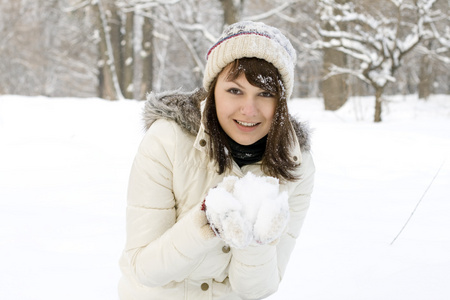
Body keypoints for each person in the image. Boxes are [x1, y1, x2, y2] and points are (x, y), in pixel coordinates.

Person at [118, 20, 315, 299]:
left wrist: (258, 240)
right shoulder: (167, 140)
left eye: (265, 94)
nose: (249, 110)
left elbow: (259, 288)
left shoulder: (297, 164)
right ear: (213, 90)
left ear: (281, 101)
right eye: (235, 90)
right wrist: (206, 222)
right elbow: (144, 269)